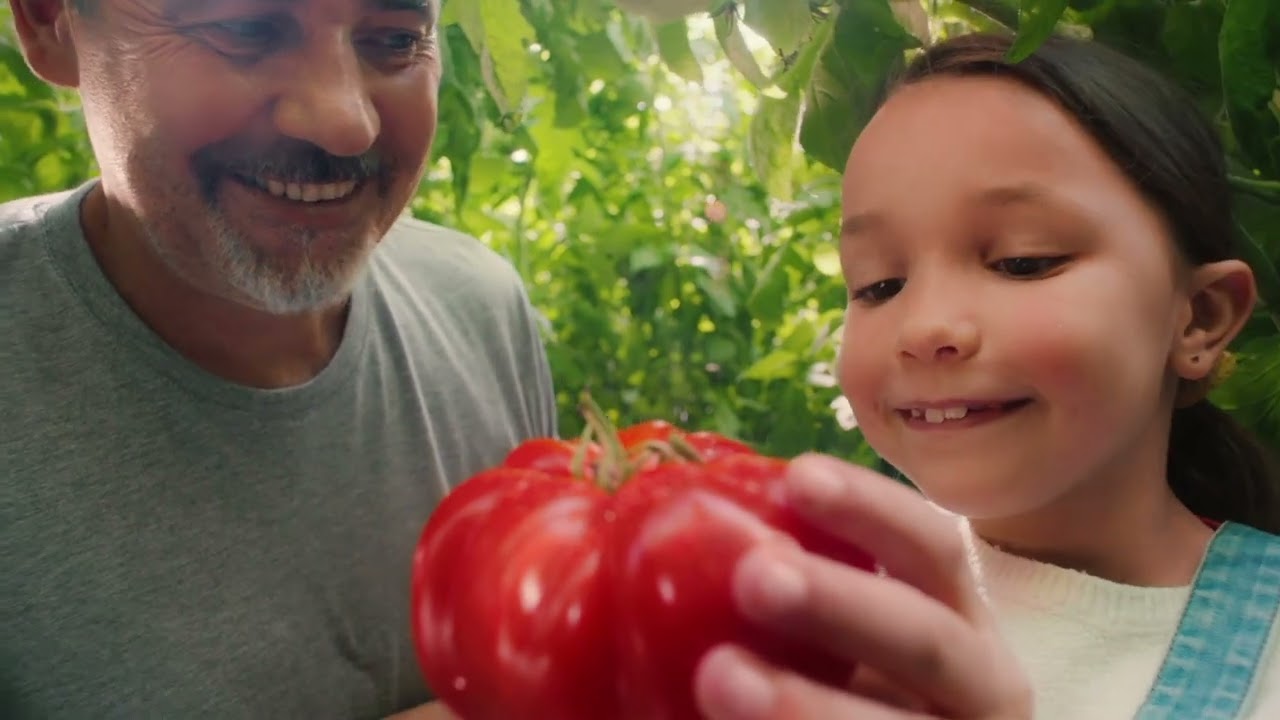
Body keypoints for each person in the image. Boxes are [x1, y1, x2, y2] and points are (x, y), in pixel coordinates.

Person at [692, 31, 1280, 720]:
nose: (926, 328)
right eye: (880, 284)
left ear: (1199, 318)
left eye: (1023, 262)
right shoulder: (818, 609)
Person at [1, 0, 554, 718]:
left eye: (394, 41)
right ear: (50, 23)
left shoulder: (481, 309)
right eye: (244, 29)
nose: (344, 121)